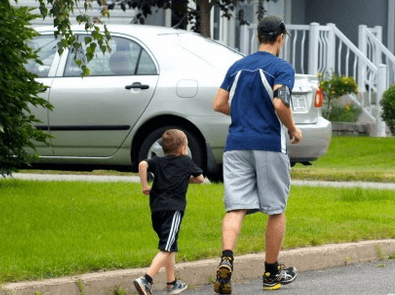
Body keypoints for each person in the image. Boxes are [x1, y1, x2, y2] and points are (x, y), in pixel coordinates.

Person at [212, 15, 303, 293]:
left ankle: (226, 259)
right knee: (275, 209)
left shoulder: (237, 66)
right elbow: (280, 102)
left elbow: (218, 103)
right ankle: (271, 274)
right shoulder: (281, 68)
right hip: (268, 145)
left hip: (236, 144)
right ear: (280, 38)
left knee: (236, 207)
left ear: (257, 37)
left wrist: (243, 112)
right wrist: (293, 128)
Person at [134, 129, 205, 295]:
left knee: (170, 245)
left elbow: (142, 164)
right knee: (166, 247)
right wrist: (185, 177)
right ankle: (146, 279)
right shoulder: (186, 162)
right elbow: (200, 178)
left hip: (156, 210)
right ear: (182, 149)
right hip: (173, 210)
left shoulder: (158, 161)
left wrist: (145, 186)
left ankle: (171, 282)